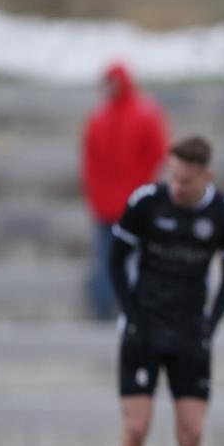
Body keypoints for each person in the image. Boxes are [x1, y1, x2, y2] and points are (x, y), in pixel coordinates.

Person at [105, 136, 224, 446]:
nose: (177, 186)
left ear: (208, 176)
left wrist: (210, 325)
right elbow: (115, 261)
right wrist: (132, 316)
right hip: (144, 331)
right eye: (173, 176)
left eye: (186, 180)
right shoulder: (146, 202)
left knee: (192, 434)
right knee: (136, 429)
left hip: (189, 337)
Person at [81, 62, 168, 320]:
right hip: (119, 204)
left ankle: (117, 308)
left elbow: (156, 155)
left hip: (126, 203)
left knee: (119, 259)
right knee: (117, 259)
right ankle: (113, 307)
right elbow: (91, 162)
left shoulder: (112, 116)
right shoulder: (106, 117)